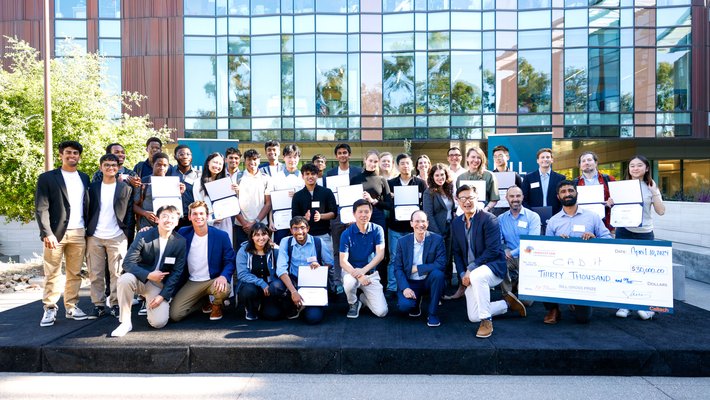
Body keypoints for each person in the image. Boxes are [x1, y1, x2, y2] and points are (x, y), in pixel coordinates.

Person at [451, 185, 527, 338]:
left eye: (470, 197)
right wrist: (461, 274)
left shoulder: (489, 219)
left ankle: (486, 320)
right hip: (469, 273)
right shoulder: (456, 223)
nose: (467, 201)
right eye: (463, 198)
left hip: (493, 268)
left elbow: (492, 250)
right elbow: (457, 253)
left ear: (477, 198)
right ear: (457, 201)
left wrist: (471, 269)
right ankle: (506, 304)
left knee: (478, 276)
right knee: (473, 316)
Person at [35, 141, 91, 327]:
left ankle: (72, 306)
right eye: (68, 152)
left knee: (74, 273)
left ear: (79, 156)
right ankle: (50, 308)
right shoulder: (47, 178)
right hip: (55, 233)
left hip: (78, 231)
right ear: (61, 155)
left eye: (75, 153)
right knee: (52, 273)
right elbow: (41, 208)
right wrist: (46, 233)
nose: (72, 156)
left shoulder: (84, 177)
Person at [543, 180, 612, 325]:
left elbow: (607, 238)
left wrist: (594, 238)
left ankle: (574, 302)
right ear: (558, 197)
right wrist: (557, 242)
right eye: (563, 192)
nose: (567, 194)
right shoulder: (553, 221)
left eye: (570, 190)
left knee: (583, 318)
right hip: (559, 268)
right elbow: (546, 248)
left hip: (585, 271)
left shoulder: (592, 217)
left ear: (577, 194)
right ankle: (553, 309)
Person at [111, 205, 186, 337]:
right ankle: (125, 322)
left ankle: (150, 300)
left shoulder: (180, 242)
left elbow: (176, 273)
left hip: (158, 285)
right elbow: (127, 263)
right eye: (164, 216)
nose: (168, 220)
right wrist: (148, 275)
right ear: (157, 219)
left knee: (158, 323)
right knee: (124, 279)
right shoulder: (143, 236)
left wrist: (162, 296)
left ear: (177, 222)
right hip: (140, 279)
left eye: (172, 217)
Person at [611, 155, 665, 320]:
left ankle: (647, 307)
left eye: (639, 165)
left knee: (645, 271)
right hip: (624, 231)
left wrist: (654, 192)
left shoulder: (650, 187)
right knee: (625, 269)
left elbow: (661, 211)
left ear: (646, 168)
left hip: (645, 233)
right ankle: (625, 305)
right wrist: (611, 204)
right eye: (632, 165)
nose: (635, 168)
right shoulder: (621, 187)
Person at [170, 201, 236, 322]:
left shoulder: (221, 236)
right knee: (175, 315)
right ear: (189, 217)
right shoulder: (183, 233)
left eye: (201, 213)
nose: (198, 217)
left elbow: (230, 261)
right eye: (194, 214)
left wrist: (223, 276)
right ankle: (202, 301)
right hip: (193, 281)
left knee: (224, 288)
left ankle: (216, 306)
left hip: (213, 279)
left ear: (207, 216)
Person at [86, 153, 134, 319]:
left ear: (118, 167)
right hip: (95, 236)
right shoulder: (93, 188)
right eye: (106, 165)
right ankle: (98, 305)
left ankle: (115, 304)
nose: (110, 168)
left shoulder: (125, 188)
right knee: (95, 272)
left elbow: (129, 213)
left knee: (117, 273)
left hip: (117, 236)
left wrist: (126, 234)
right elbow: (87, 210)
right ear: (101, 167)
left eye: (114, 165)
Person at [393, 211, 447, 327]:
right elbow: (397, 268)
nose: (420, 224)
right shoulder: (402, 242)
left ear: (427, 223)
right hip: (410, 282)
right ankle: (416, 303)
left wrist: (418, 268)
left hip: (428, 280)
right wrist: (405, 288)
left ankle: (432, 314)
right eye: (417, 221)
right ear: (411, 223)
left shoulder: (437, 239)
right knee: (404, 307)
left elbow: (441, 264)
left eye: (423, 221)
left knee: (438, 274)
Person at [277, 217, 334, 324]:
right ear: (290, 230)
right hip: (293, 281)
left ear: (308, 228)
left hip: (312, 284)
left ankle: (304, 307)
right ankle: (294, 304)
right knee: (276, 287)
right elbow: (281, 269)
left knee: (313, 318)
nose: (299, 232)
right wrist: (293, 291)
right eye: (295, 228)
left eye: (302, 228)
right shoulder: (285, 242)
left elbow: (330, 263)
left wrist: (319, 267)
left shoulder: (318, 242)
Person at [340, 199, 388, 319]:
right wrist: (359, 275)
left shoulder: (377, 230)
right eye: (360, 212)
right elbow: (343, 261)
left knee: (382, 312)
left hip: (370, 273)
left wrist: (363, 271)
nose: (363, 215)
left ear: (371, 213)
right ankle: (353, 303)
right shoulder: (346, 234)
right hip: (351, 272)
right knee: (349, 282)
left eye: (366, 212)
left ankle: (362, 298)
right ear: (354, 214)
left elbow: (380, 255)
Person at [292, 163, 337, 290]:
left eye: (313, 174)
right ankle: (310, 288)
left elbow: (334, 213)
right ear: (302, 176)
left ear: (317, 175)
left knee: (329, 264)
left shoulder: (326, 192)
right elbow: (294, 217)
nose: (310, 177)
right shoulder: (298, 195)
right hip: (306, 237)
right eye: (307, 174)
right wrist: (303, 219)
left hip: (323, 234)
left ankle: (333, 289)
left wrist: (321, 216)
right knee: (309, 264)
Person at [386, 153, 427, 295]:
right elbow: (388, 205)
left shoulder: (420, 183)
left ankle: (411, 283)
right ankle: (392, 286)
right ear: (397, 166)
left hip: (414, 228)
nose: (405, 166)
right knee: (394, 258)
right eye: (402, 163)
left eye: (407, 163)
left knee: (414, 257)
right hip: (395, 227)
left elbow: (423, 204)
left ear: (412, 165)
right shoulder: (390, 183)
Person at [326, 143, 362, 293]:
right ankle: (337, 281)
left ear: (349, 155)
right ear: (336, 156)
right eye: (339, 153)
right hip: (337, 214)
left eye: (345, 152)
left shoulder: (357, 171)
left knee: (355, 248)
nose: (342, 155)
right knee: (337, 248)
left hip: (354, 214)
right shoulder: (330, 173)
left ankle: (356, 277)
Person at [236, 222, 285, 320]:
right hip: (252, 285)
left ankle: (266, 304)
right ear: (252, 237)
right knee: (248, 290)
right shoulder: (243, 250)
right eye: (257, 235)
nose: (261, 238)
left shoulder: (274, 250)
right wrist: (261, 283)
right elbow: (242, 274)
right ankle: (250, 308)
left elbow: (282, 268)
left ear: (268, 236)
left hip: (269, 287)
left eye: (264, 234)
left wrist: (277, 249)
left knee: (273, 315)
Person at [498, 186, 541, 297]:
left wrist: (511, 253)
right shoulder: (501, 219)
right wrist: (505, 250)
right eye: (512, 196)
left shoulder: (533, 217)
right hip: (509, 258)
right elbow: (499, 240)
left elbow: (531, 243)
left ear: (522, 197)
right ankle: (507, 295)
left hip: (528, 256)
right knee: (499, 262)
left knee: (526, 301)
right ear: (506, 198)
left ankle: (517, 282)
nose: (515, 199)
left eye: (518, 196)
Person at [423, 163, 456, 288]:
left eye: (442, 174)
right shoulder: (429, 192)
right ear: (432, 177)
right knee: (439, 258)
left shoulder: (449, 189)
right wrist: (438, 234)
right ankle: (437, 284)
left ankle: (447, 282)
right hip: (436, 230)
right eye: (437, 175)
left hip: (450, 227)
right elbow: (428, 215)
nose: (440, 177)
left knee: (449, 256)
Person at [134, 152, 185, 229]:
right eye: (158, 165)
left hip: (166, 226)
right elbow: (134, 206)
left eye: (165, 165)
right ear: (152, 165)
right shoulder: (144, 181)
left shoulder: (173, 183)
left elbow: (174, 206)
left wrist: (179, 193)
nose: (162, 168)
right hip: (146, 225)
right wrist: (145, 213)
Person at [234, 149, 273, 248]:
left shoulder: (266, 178)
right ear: (245, 161)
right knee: (241, 254)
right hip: (241, 226)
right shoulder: (237, 177)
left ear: (259, 161)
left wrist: (256, 222)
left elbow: (268, 203)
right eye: (249, 159)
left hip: (261, 225)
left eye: (255, 159)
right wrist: (244, 223)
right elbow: (232, 203)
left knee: (261, 255)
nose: (252, 162)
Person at [520, 147, 567, 228]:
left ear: (552, 160)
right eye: (542, 157)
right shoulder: (528, 178)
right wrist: (532, 214)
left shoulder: (560, 178)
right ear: (537, 161)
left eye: (548, 157)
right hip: (533, 219)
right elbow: (524, 199)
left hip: (555, 218)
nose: (545, 159)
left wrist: (558, 215)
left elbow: (563, 200)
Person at [193, 152, 234, 243]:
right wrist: (212, 219)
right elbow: (198, 204)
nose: (217, 166)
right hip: (207, 221)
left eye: (220, 164)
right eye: (215, 162)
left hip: (224, 221)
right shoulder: (198, 183)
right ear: (208, 163)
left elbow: (230, 203)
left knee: (224, 248)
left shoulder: (225, 182)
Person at [271, 144, 305, 244]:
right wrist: (271, 220)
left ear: (299, 158)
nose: (292, 160)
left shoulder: (304, 177)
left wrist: (298, 196)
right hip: (280, 222)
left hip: (300, 222)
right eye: (289, 156)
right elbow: (271, 202)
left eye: (295, 157)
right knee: (280, 248)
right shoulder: (275, 177)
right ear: (283, 158)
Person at [573, 151, 615, 232]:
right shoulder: (574, 183)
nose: (586, 163)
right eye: (583, 161)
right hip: (582, 224)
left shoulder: (609, 179)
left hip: (605, 224)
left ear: (596, 163)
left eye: (589, 160)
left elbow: (618, 201)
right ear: (580, 165)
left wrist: (611, 202)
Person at [351, 150, 392, 234]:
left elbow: (389, 205)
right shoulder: (355, 179)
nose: (373, 164)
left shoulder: (382, 180)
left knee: (378, 244)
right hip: (360, 215)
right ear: (365, 160)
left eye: (375, 161)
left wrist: (373, 201)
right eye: (370, 160)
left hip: (377, 216)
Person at [456, 147, 499, 212]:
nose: (476, 160)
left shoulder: (489, 176)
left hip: (484, 213)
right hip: (465, 214)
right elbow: (459, 199)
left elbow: (494, 199)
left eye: (479, 157)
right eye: (473, 157)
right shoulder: (461, 178)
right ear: (467, 158)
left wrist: (486, 209)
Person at [173, 144, 200, 228]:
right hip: (174, 216)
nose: (185, 157)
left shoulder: (198, 175)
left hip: (192, 217)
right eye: (181, 154)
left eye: (188, 154)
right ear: (175, 157)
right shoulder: (170, 173)